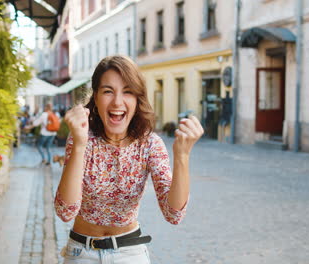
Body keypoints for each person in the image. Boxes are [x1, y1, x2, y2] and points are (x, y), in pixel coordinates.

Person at [54, 55, 204, 263]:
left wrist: (182, 155)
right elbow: (65, 211)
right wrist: (79, 144)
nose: (117, 101)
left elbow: (174, 215)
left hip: (129, 253)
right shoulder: (81, 138)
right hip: (81, 251)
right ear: (95, 98)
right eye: (108, 91)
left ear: (137, 100)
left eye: (128, 92)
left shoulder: (150, 144)